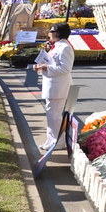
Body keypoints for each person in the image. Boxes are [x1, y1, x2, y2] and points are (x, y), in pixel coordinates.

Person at [33, 22, 75, 150]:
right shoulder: (57, 46)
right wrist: (40, 67)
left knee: (54, 115)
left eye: (51, 31)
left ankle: (58, 141)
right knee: (52, 115)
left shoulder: (65, 47)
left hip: (58, 87)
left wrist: (45, 67)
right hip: (52, 85)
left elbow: (65, 69)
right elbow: (52, 64)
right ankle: (51, 139)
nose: (49, 33)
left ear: (57, 33)